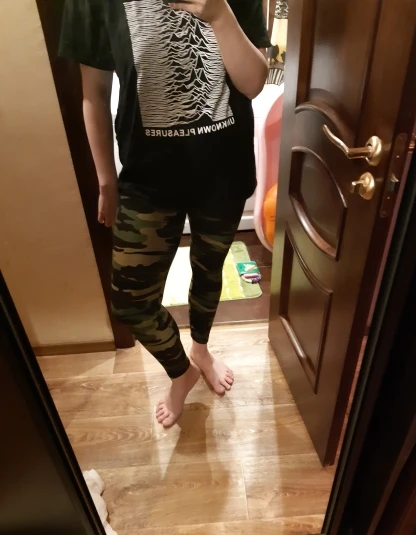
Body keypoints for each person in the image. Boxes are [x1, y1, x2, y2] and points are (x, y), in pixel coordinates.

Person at [60, 0, 270, 427]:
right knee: (130, 302)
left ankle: (202, 350)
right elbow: (93, 95)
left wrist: (220, 15)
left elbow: (252, 84)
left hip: (223, 174)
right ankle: (182, 371)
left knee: (209, 270)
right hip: (146, 179)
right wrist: (106, 181)